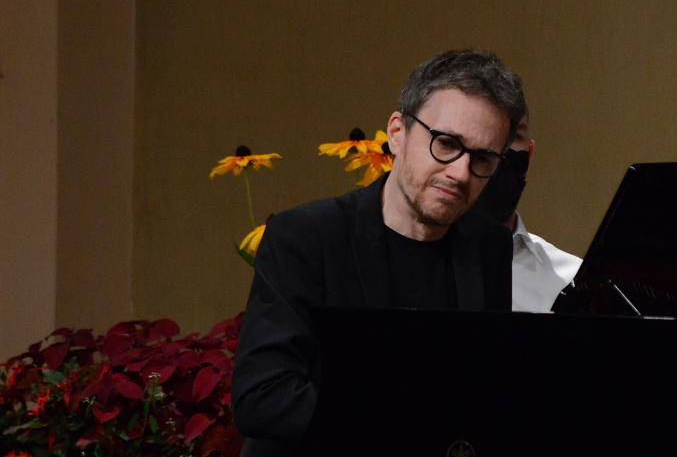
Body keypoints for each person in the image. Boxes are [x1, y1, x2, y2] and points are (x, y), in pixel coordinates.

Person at [231, 49, 527, 456]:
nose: (460, 173)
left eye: (482, 159)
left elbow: (483, 389)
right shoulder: (305, 236)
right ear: (397, 132)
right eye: (446, 144)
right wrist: (409, 425)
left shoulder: (487, 245)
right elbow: (262, 397)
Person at [475, 111, 583, 312]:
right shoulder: (409, 264)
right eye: (486, 133)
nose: (500, 151)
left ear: (530, 152)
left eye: (513, 136)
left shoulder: (571, 279)